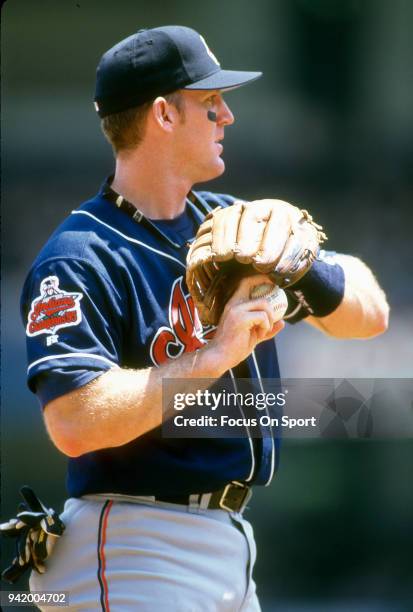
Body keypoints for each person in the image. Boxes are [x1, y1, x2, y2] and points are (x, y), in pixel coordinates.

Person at [20, 25, 389, 611]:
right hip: (133, 542)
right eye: (210, 102)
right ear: (164, 115)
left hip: (230, 544)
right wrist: (213, 357)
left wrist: (304, 266)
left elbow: (370, 315)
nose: (228, 116)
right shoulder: (80, 254)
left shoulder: (232, 227)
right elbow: (73, 420)